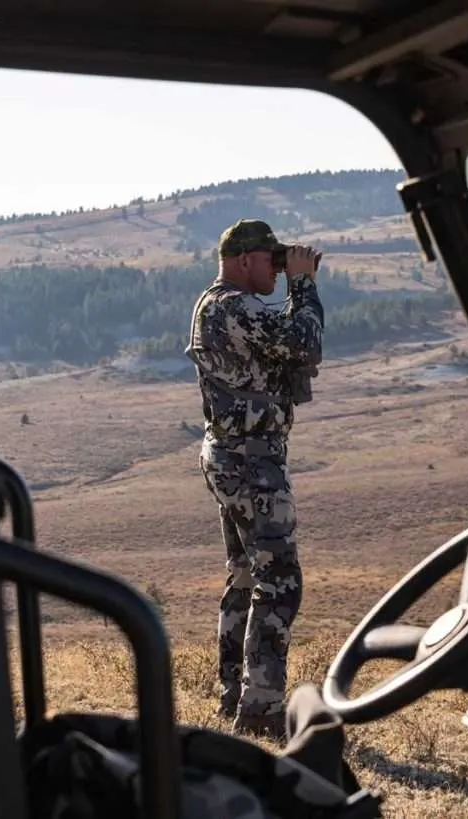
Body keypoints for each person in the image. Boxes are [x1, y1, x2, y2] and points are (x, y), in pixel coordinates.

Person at [185, 218, 324, 741]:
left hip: (233, 452)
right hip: (251, 459)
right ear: (244, 260)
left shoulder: (219, 306)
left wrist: (291, 281)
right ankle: (262, 708)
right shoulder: (231, 306)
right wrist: (304, 284)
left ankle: (234, 696)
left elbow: (283, 346)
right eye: (272, 260)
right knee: (281, 583)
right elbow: (303, 344)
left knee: (245, 575)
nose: (279, 269)